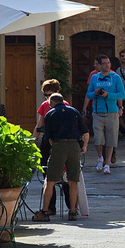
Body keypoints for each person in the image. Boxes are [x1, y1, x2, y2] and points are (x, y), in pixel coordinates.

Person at [35, 93, 90, 221]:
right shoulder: (74, 111)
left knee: (50, 181)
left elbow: (49, 138)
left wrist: (56, 147)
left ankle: (45, 211)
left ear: (52, 103)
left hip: (59, 146)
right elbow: (86, 133)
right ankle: (72, 211)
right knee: (73, 181)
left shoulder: (50, 113)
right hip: (74, 146)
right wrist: (84, 147)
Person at [85, 54, 125, 174]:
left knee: (111, 139)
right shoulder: (94, 78)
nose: (107, 65)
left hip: (112, 112)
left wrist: (108, 95)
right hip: (98, 111)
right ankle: (100, 158)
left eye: (108, 63)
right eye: (104, 63)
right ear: (99, 65)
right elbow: (89, 94)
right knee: (98, 138)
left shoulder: (116, 78)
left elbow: (121, 94)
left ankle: (107, 163)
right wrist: (95, 93)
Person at [34, 79, 64, 215]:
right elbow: (39, 124)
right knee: (47, 175)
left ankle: (71, 207)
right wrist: (33, 140)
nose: (47, 98)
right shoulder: (44, 105)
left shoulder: (64, 106)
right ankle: (51, 207)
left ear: (57, 93)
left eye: (50, 95)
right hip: (47, 140)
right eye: (45, 95)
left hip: (60, 141)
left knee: (64, 177)